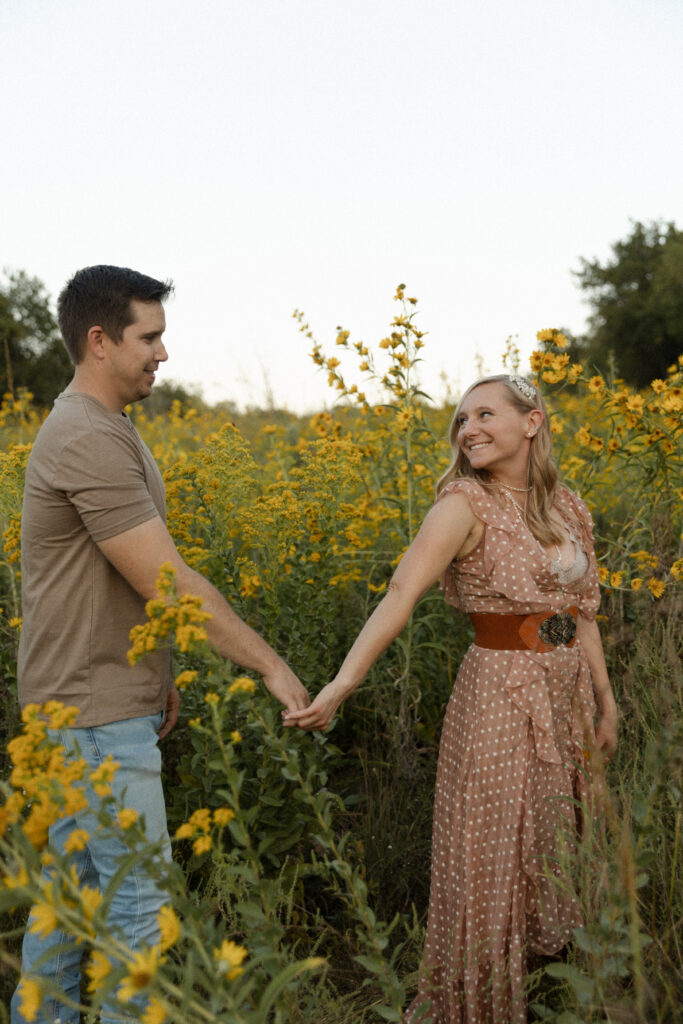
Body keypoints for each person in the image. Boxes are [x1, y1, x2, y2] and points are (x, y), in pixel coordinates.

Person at [11, 265, 310, 1024]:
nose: (163, 354)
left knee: (63, 919)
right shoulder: (85, 433)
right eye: (150, 337)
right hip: (90, 717)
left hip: (92, 705)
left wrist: (155, 673)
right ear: (100, 340)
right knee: (139, 916)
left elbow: (121, 582)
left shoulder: (108, 427)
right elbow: (167, 584)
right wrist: (272, 665)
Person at [285, 373, 618, 1023]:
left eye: (484, 414)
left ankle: (555, 982)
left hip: (566, 688)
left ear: (531, 422)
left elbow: (580, 613)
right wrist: (341, 684)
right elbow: (399, 595)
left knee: (556, 836)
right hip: (498, 691)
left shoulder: (568, 506)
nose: (467, 430)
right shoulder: (462, 505)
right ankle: (481, 1000)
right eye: (460, 421)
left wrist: (605, 700)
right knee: (495, 844)